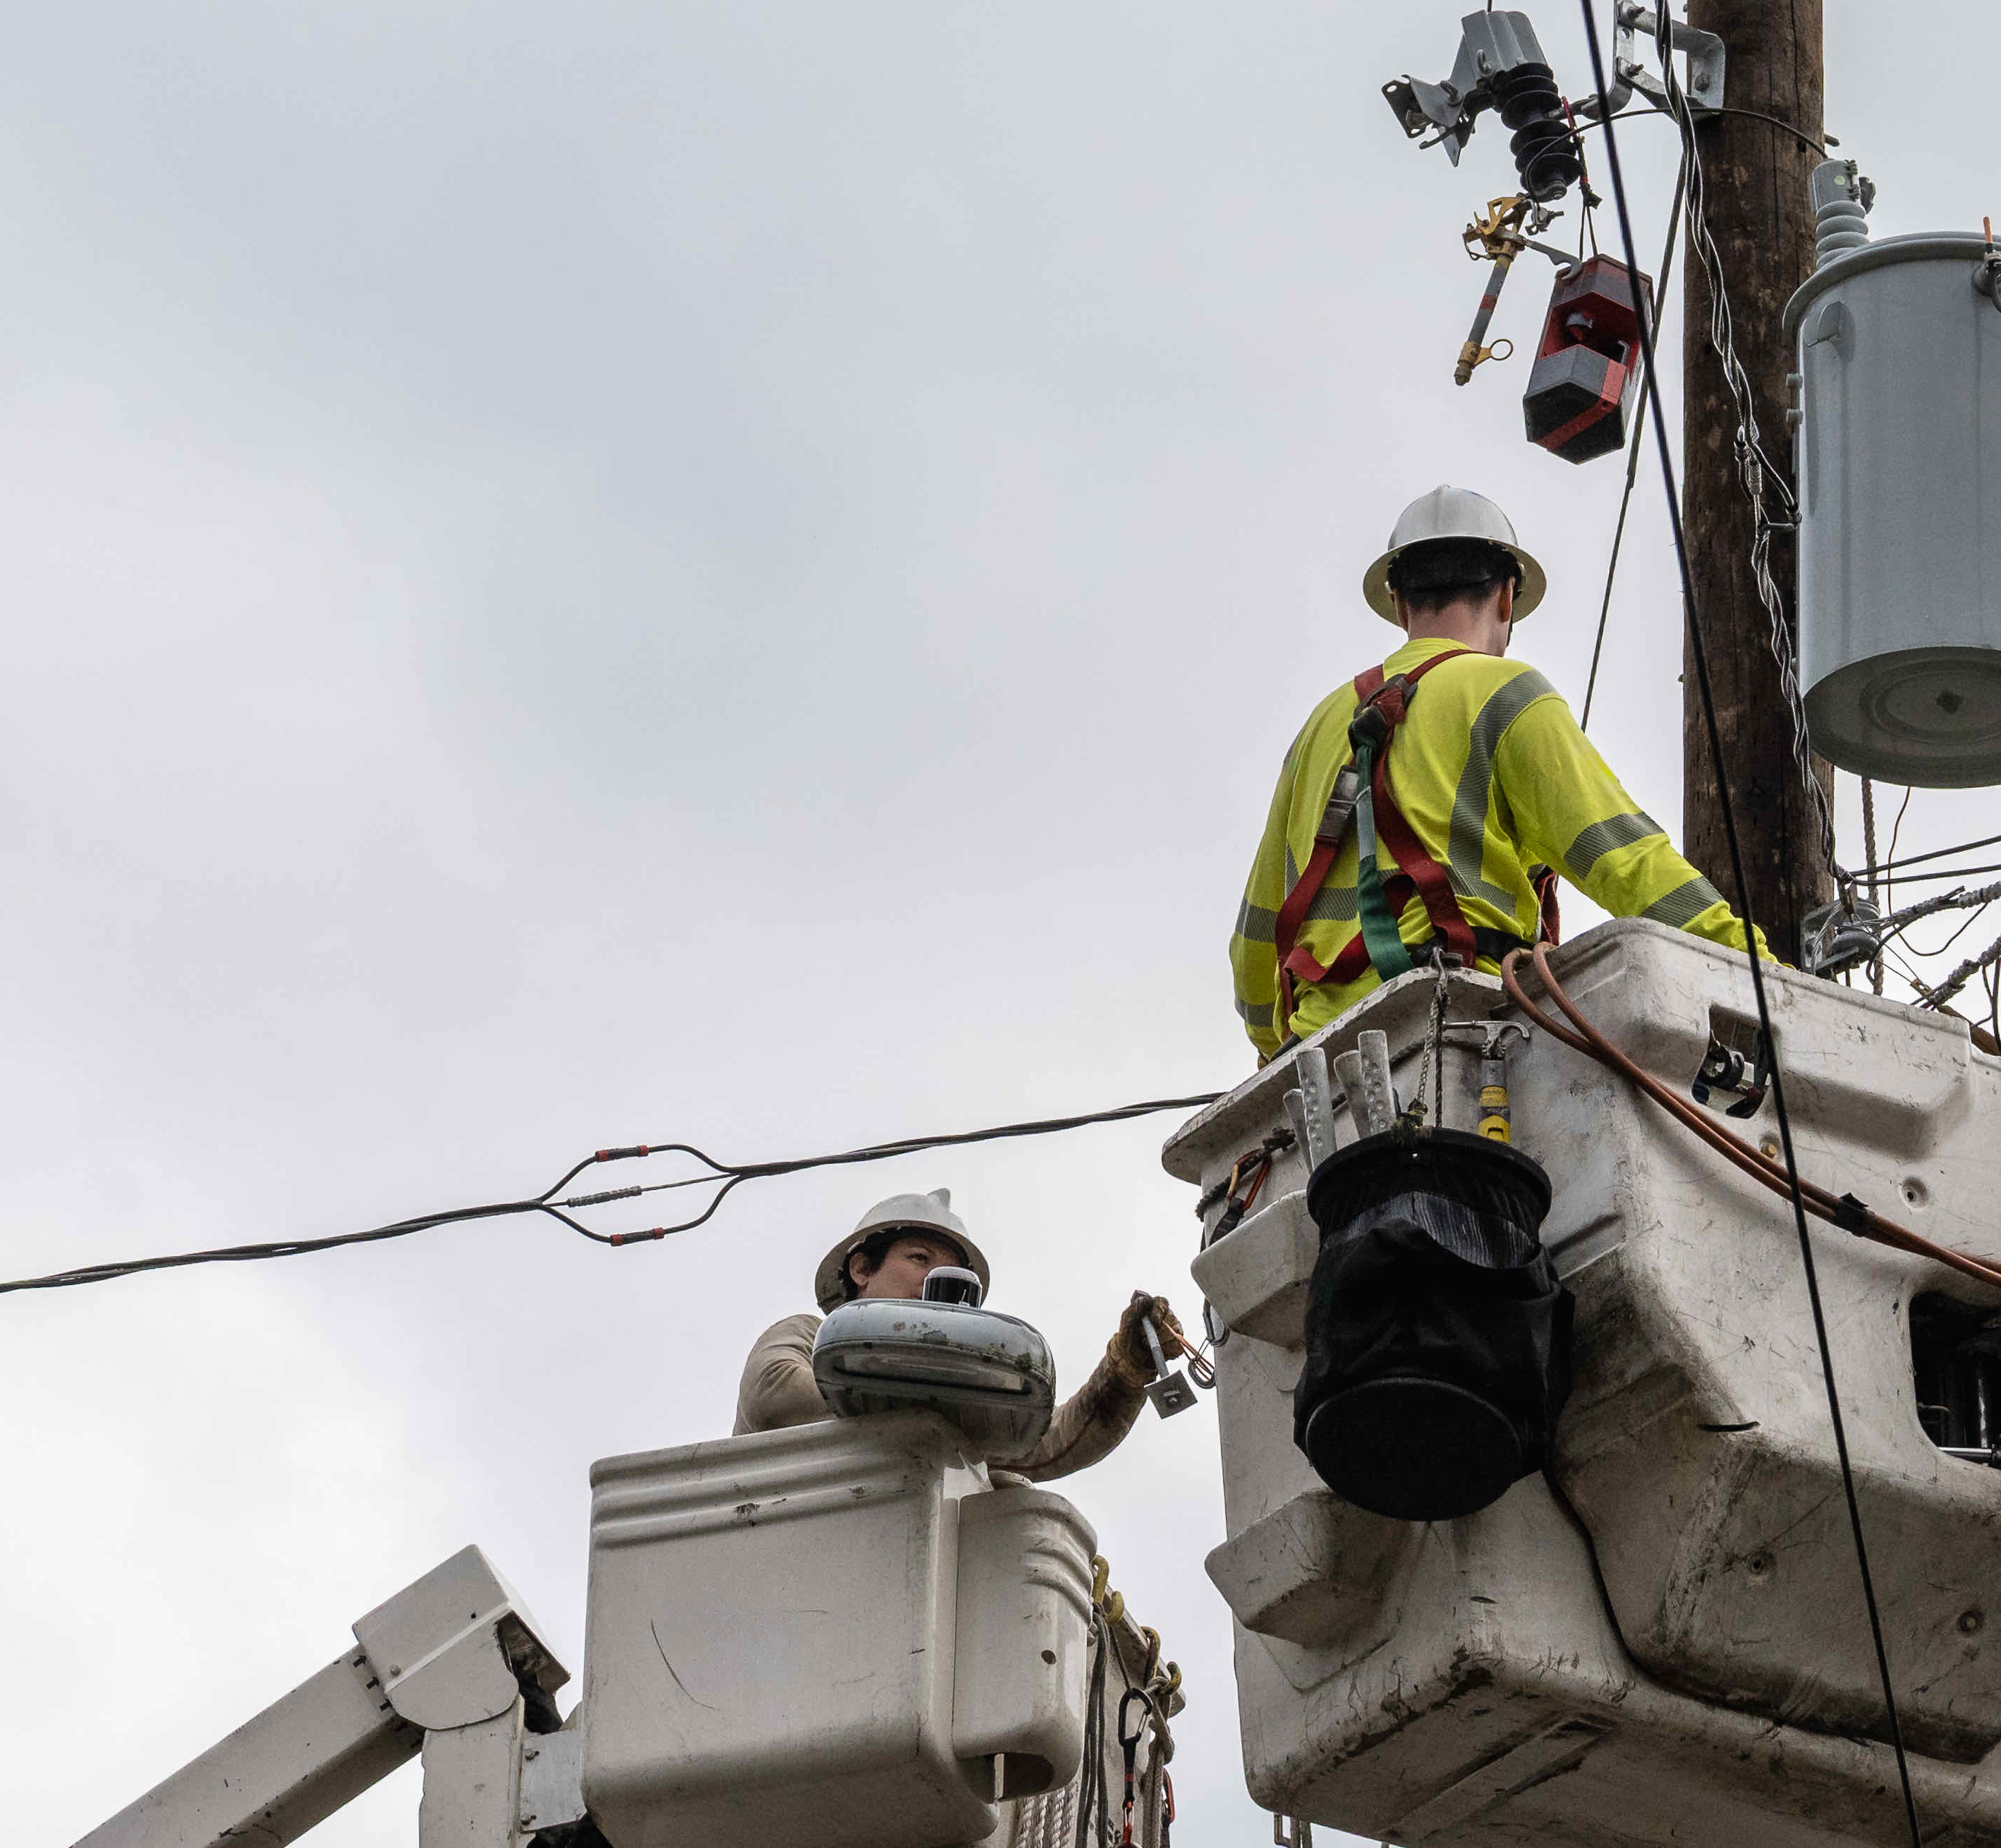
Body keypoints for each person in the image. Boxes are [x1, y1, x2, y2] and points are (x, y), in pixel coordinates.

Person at [1229, 485, 1760, 1052]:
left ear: (1400, 604)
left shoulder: (1318, 729)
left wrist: (1275, 1046)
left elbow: (1256, 941)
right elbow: (1630, 864)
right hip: (1456, 1037)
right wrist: (1766, 980)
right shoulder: (1506, 694)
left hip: (1319, 1057)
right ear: (1507, 598)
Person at [733, 1189, 1169, 1481]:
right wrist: (937, 1403)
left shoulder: (961, 1399)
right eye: (919, 1258)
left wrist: (1124, 1374)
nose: (934, 1279)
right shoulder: (808, 1337)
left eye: (950, 1274)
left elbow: (1048, 1443)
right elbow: (773, 1393)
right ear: (862, 1269)